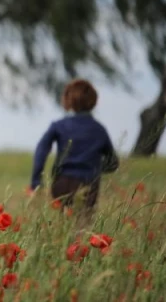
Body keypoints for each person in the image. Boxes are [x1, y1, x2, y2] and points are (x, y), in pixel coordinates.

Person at [30, 79, 119, 212]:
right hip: (89, 184)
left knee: (63, 224)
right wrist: (95, 168)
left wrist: (36, 180)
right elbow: (113, 163)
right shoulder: (99, 130)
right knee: (83, 226)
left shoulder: (59, 126)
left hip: (62, 183)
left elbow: (41, 150)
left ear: (68, 100)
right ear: (93, 101)